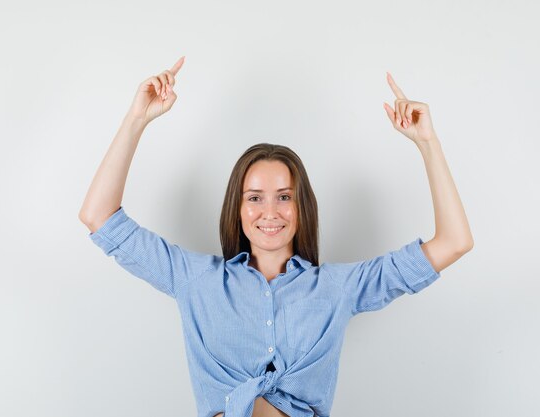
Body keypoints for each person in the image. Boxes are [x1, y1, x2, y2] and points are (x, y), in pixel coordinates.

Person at [79, 57, 474, 417]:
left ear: (303, 207)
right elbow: (98, 216)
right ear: (237, 207)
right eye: (254, 198)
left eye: (284, 197)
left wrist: (428, 144)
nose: (270, 212)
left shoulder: (337, 288)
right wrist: (136, 118)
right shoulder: (195, 279)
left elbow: (454, 241)